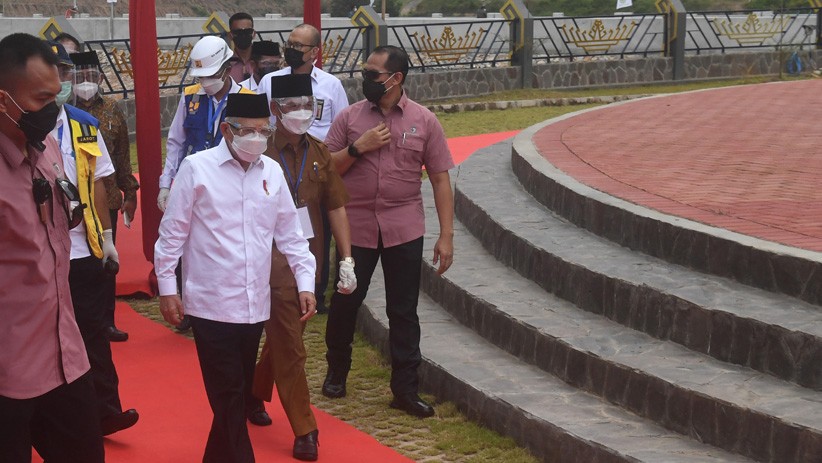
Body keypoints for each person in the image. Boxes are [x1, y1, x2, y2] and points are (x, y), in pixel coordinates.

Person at [155, 93, 317, 463]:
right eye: (249, 131)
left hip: (254, 306)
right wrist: (168, 289)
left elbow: (292, 236)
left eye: (264, 132)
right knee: (228, 395)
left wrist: (305, 283)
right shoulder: (197, 169)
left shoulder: (271, 172)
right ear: (227, 130)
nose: (257, 139)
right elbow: (172, 235)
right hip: (210, 304)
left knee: (236, 392)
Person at [322, 45, 455, 418]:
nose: (365, 79)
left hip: (404, 228)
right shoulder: (349, 117)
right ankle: (337, 372)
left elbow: (441, 180)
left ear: (395, 79)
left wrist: (446, 235)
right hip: (356, 229)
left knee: (404, 311)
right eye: (364, 72)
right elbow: (327, 169)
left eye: (372, 74)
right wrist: (357, 148)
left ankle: (405, 390)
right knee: (346, 301)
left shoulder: (424, 120)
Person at [0, 32, 105, 463]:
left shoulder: (46, 150)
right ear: (4, 98)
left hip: (65, 356)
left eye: (55, 95)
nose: (53, 110)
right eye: (41, 100)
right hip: (8, 374)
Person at [249, 74, 356, 461]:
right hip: (266, 258)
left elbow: (336, 205)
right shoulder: (257, 151)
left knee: (285, 336)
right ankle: (305, 429)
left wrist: (346, 258)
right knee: (291, 346)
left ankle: (253, 391)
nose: (301, 112)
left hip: (305, 260)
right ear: (276, 109)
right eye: (292, 105)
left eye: (308, 105)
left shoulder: (320, 152)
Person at [49, 41, 139, 436]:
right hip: (41, 253)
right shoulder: (16, 123)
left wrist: (106, 236)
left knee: (93, 331)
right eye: (55, 73)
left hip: (83, 248)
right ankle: (45, 419)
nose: (62, 81)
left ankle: (105, 411)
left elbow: (101, 180)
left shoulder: (85, 124)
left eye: (65, 74)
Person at [159, 34, 253, 332]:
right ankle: (190, 304)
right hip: (194, 182)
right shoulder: (191, 98)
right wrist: (165, 184)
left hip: (232, 181)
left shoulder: (248, 100)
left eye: (212, 75)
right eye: (202, 76)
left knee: (227, 242)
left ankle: (230, 299)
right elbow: (176, 142)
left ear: (227, 68)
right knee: (190, 245)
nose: (207, 81)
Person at [258, 23, 350, 313]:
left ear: (314, 52)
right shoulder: (270, 81)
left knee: (318, 229)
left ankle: (316, 289)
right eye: (290, 44)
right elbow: (258, 124)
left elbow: (341, 128)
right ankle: (274, 284)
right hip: (278, 162)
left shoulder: (330, 85)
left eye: (299, 46)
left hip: (314, 166)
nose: (292, 50)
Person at [70, 50, 140, 343]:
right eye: (80, 77)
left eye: (91, 76)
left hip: (106, 198)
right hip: (72, 201)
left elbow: (123, 155)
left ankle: (105, 321)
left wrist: (130, 193)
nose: (86, 82)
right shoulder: (62, 112)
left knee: (105, 263)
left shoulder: (112, 109)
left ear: (100, 78)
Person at [226, 12, 256, 84]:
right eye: (238, 32)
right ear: (230, 35)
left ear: (254, 34)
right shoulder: (224, 65)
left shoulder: (263, 62)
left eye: (247, 31)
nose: (243, 35)